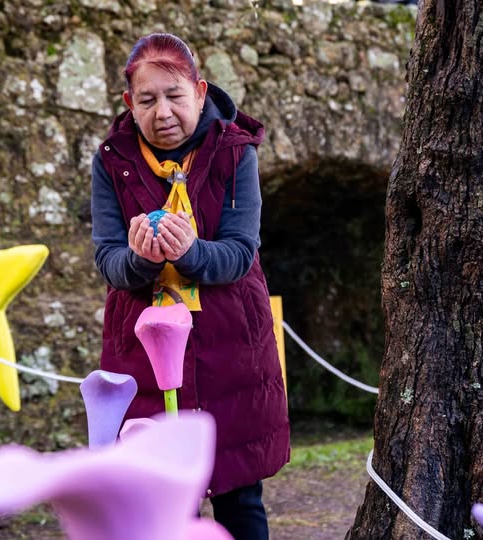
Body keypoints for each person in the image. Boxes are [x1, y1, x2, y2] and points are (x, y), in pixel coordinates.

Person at [90, 33, 290, 539]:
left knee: (239, 495)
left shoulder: (235, 152)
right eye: (148, 99)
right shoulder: (112, 161)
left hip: (230, 349)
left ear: (200, 92)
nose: (163, 112)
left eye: (175, 95)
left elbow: (241, 253)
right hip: (143, 350)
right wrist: (137, 260)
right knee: (163, 499)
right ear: (128, 103)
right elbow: (108, 258)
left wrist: (190, 253)